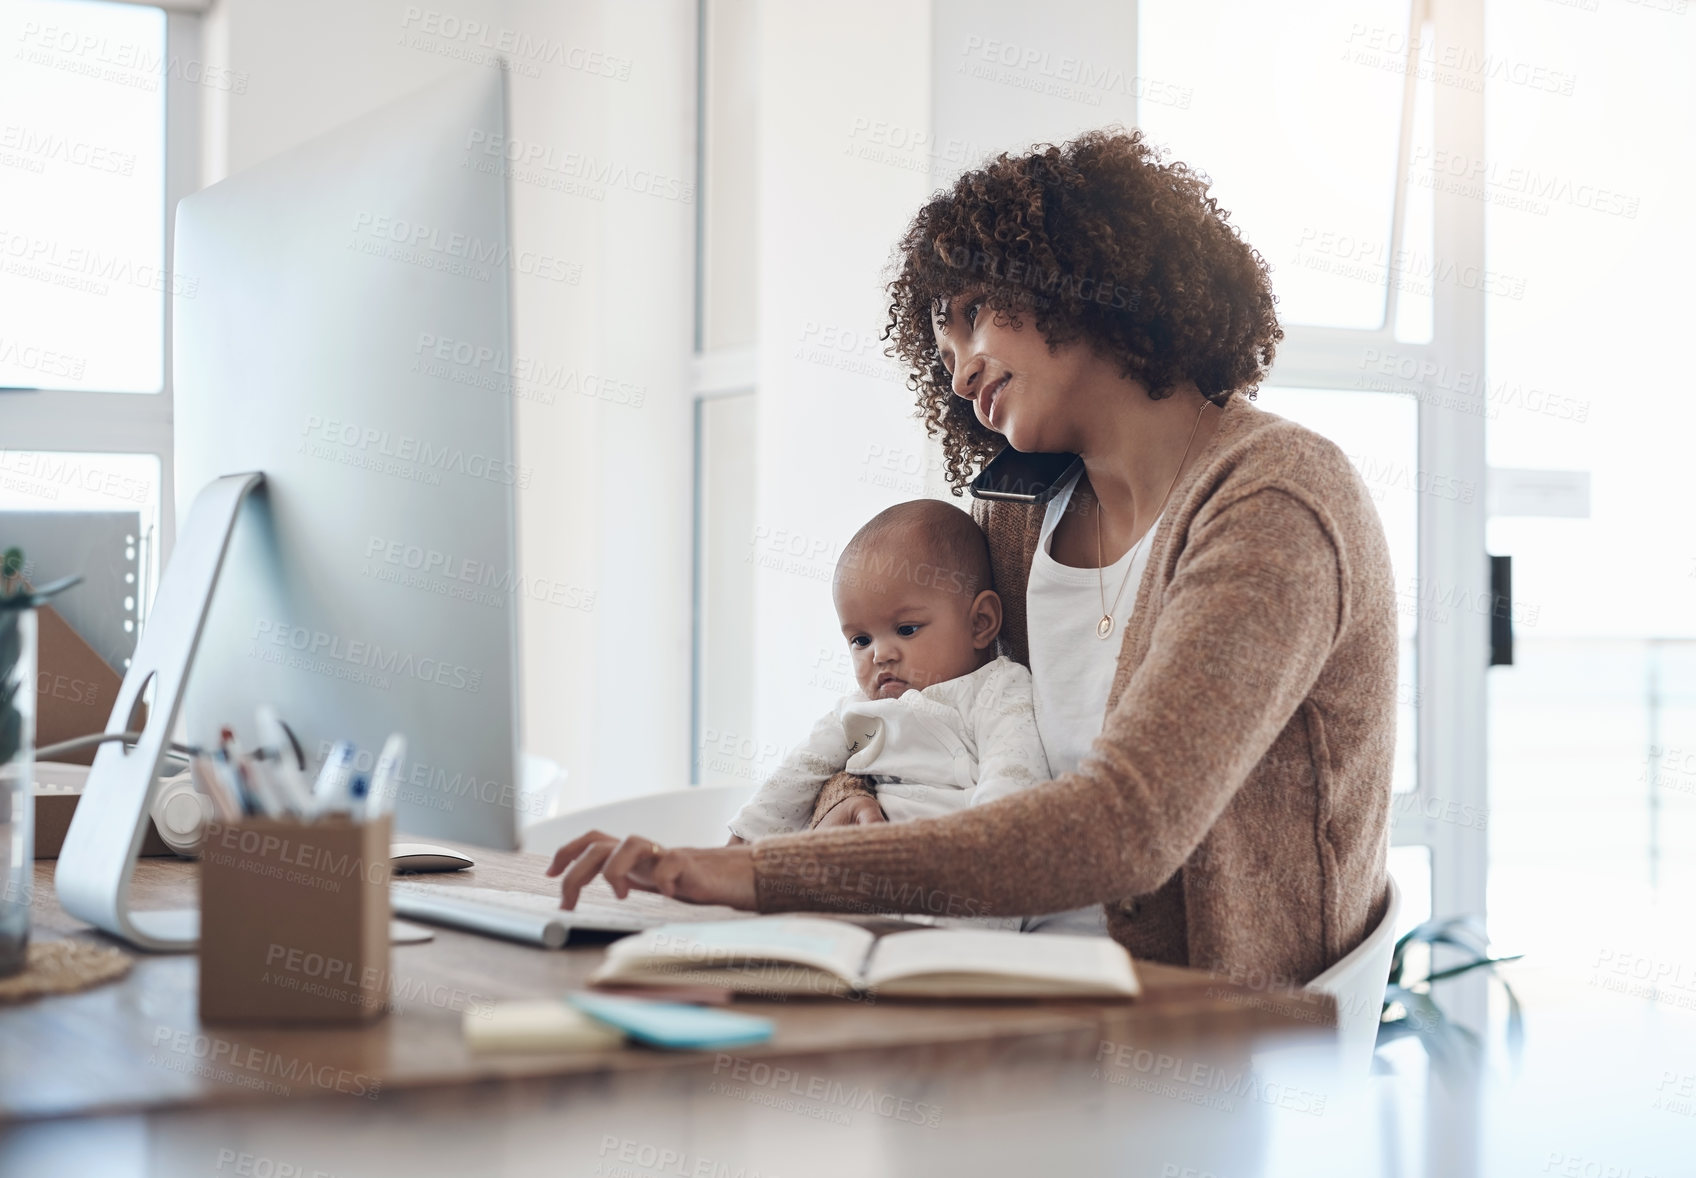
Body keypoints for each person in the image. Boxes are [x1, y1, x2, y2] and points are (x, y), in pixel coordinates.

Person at [547, 127, 1397, 984]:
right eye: (942, 352)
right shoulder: (1017, 515)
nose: (958, 376)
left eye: (974, 315)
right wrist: (853, 795)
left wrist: (758, 872)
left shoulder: (1273, 498)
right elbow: (920, 709)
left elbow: (1129, 827)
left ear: (1080, 277)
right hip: (994, 979)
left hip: (1209, 1035)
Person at [724, 498, 1105, 935]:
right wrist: (745, 842)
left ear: (981, 622)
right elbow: (801, 770)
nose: (881, 654)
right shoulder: (857, 711)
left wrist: (984, 882)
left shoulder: (997, 689)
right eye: (860, 640)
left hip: (965, 876)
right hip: (871, 874)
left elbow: (1012, 782)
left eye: (906, 630)